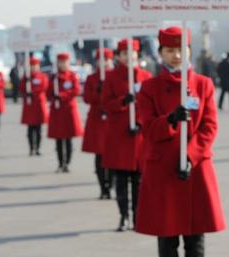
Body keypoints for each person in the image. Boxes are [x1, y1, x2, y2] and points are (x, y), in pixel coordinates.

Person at [136, 26, 226, 257]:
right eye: (169, 50)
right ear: (160, 53)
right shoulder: (148, 88)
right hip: (163, 171)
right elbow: (147, 128)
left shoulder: (202, 84)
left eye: (181, 50)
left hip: (194, 171)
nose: (176, 55)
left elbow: (209, 127)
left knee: (195, 239)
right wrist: (171, 119)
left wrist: (190, 156)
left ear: (188, 51)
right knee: (167, 238)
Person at [101, 39, 152, 231]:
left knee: (138, 181)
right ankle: (123, 216)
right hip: (119, 136)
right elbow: (105, 103)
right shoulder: (112, 77)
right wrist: (124, 101)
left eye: (131, 54)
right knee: (121, 181)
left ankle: (138, 217)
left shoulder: (145, 76)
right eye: (123, 54)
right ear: (118, 56)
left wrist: (139, 122)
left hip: (138, 136)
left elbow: (150, 105)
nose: (128, 57)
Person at [81, 48, 115, 199]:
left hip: (113, 119)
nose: (104, 63)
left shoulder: (116, 77)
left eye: (107, 59)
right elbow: (87, 98)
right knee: (99, 155)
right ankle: (103, 187)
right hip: (97, 119)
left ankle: (112, 182)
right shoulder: (92, 78)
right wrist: (98, 91)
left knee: (114, 154)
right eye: (101, 60)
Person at [47, 52, 83, 172]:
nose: (62, 64)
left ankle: (67, 163)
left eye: (64, 62)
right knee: (58, 139)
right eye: (60, 62)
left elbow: (76, 90)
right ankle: (60, 163)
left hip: (68, 110)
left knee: (68, 139)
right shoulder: (54, 78)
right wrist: (53, 97)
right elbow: (48, 93)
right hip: (57, 111)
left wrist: (61, 95)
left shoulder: (72, 76)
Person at [20, 57, 49, 156]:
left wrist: (32, 92)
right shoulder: (26, 77)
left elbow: (43, 87)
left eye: (35, 65)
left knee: (38, 129)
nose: (33, 68)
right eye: (31, 66)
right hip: (29, 106)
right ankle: (31, 148)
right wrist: (26, 82)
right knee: (30, 129)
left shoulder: (42, 76)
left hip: (39, 105)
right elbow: (21, 88)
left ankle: (37, 148)